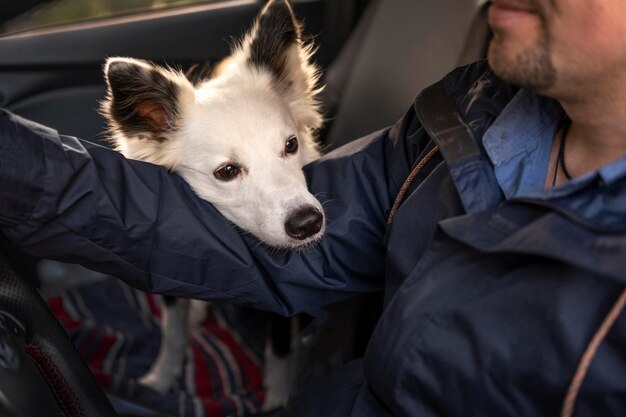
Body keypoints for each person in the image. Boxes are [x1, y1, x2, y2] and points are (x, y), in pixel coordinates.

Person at [1, 0, 626, 416]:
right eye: (228, 171)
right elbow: (249, 249)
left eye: (288, 149)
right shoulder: (467, 114)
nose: (300, 204)